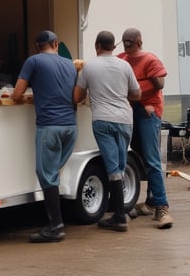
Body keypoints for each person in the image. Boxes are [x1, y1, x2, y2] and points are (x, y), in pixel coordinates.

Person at [11, 30, 77, 243]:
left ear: (37, 46)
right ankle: (55, 221)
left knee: (46, 174)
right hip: (70, 126)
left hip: (50, 126)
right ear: (56, 44)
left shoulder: (33, 61)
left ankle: (56, 227)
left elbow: (17, 94)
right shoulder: (70, 64)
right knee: (53, 173)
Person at [73, 31, 141, 232]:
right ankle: (120, 214)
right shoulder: (125, 65)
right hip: (125, 120)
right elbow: (137, 94)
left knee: (112, 168)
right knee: (120, 165)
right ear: (114, 46)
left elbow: (77, 96)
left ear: (97, 46)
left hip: (102, 120)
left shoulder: (89, 66)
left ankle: (119, 216)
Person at [118, 27, 174, 229]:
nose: (127, 46)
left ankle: (162, 207)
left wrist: (138, 96)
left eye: (129, 42)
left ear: (138, 42)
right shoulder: (121, 58)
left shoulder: (150, 59)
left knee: (151, 159)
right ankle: (150, 202)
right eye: (125, 42)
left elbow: (159, 84)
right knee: (139, 156)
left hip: (148, 112)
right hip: (129, 111)